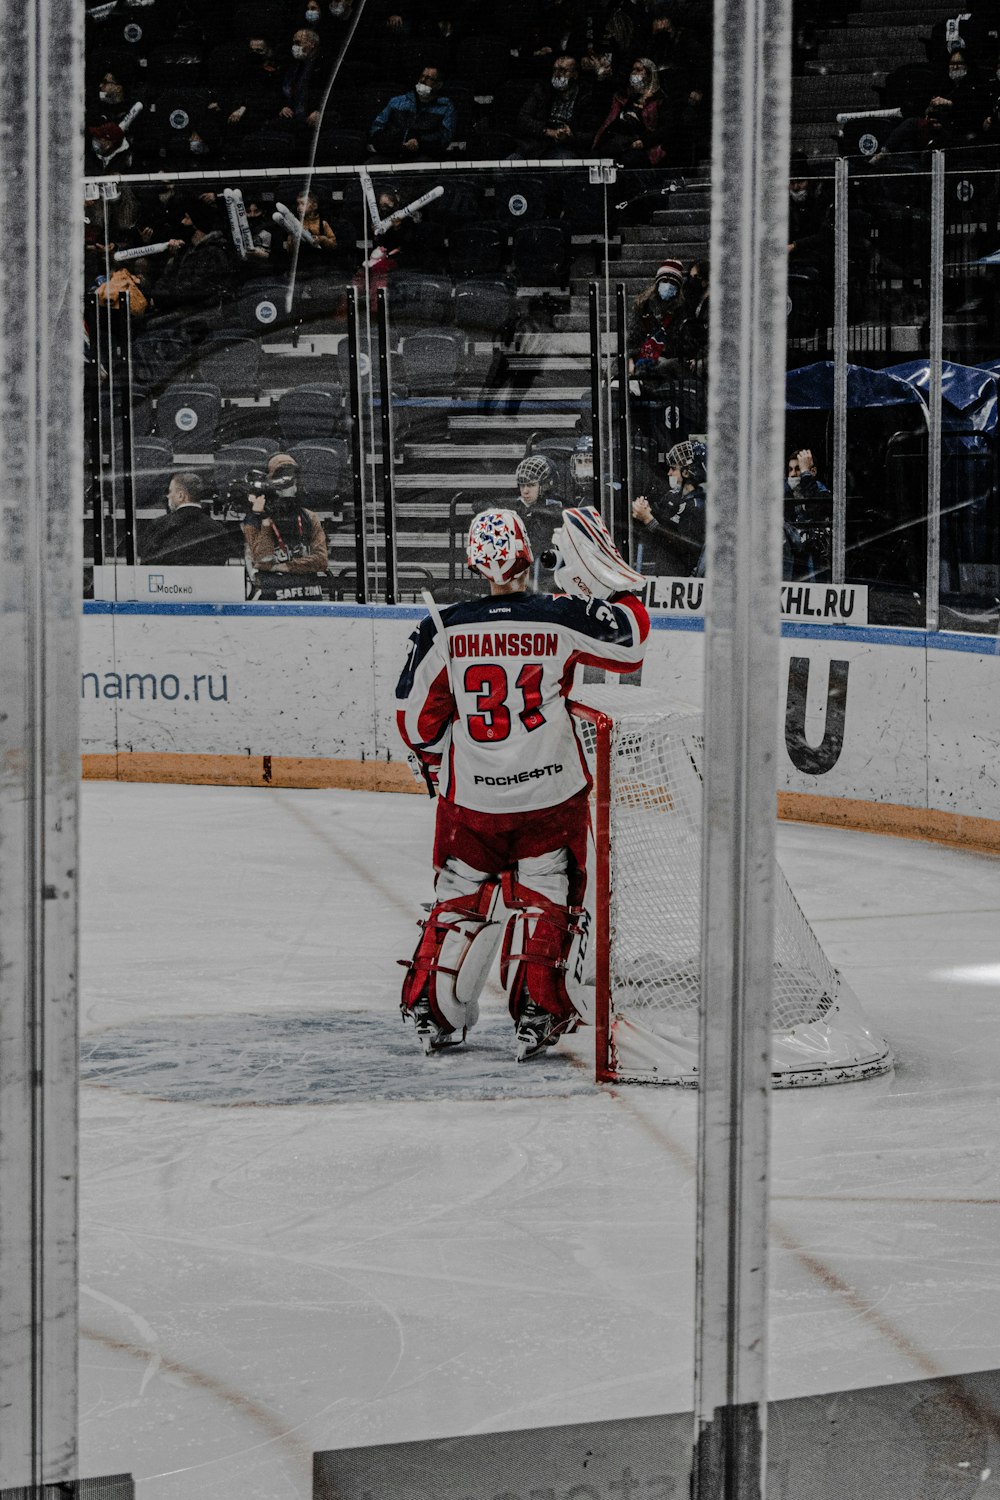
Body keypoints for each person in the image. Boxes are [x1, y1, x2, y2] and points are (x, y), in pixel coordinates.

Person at [396, 505, 649, 1061]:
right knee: (546, 897)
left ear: (474, 565)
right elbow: (631, 642)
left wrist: (436, 762)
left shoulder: (444, 627)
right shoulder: (555, 614)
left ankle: (431, 1004)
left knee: (459, 899)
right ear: (528, 554)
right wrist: (613, 579)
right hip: (549, 797)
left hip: (472, 802)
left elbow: (416, 721)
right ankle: (537, 1008)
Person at [241, 453, 329, 593]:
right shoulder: (254, 519)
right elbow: (262, 560)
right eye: (281, 483)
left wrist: (280, 567)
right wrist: (265, 521)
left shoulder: (309, 516)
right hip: (272, 597)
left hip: (308, 595)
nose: (288, 489)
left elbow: (321, 560)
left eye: (291, 483)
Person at [631, 438, 706, 576]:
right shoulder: (673, 496)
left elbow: (682, 547)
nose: (669, 473)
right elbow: (661, 517)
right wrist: (645, 509)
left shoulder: (698, 507)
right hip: (663, 574)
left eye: (673, 468)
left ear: (687, 472)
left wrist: (648, 520)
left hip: (680, 580)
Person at [593, 56, 672, 168]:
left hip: (643, 145)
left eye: (639, 70)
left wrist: (643, 142)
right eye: (633, 70)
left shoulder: (660, 100)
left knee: (629, 160)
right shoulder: (626, 97)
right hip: (620, 141)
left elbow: (665, 129)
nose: (634, 73)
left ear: (649, 75)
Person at [142, 472, 233, 566]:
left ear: (181, 496)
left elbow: (147, 565)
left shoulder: (159, 525)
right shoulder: (218, 529)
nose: (168, 496)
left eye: (170, 491)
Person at [516, 55, 597, 158]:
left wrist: (571, 136)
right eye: (555, 70)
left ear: (575, 75)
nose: (557, 75)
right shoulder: (543, 90)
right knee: (502, 170)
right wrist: (548, 132)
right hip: (537, 145)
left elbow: (591, 134)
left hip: (566, 148)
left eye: (563, 70)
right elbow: (523, 119)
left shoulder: (585, 97)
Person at [369, 65, 456, 159]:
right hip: (391, 153)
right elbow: (377, 127)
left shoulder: (445, 107)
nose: (422, 80)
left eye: (429, 78)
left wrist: (419, 142)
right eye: (422, 76)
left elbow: (444, 137)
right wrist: (391, 143)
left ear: (439, 85)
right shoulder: (397, 102)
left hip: (423, 155)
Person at [510, 454, 564, 566]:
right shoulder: (516, 506)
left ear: (545, 485)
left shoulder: (559, 507)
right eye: (522, 485)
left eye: (531, 485)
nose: (525, 491)